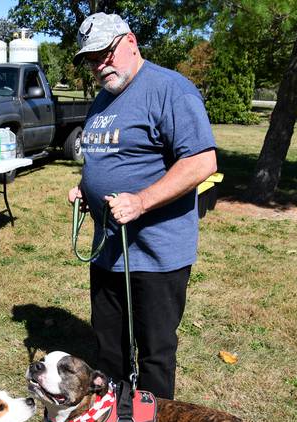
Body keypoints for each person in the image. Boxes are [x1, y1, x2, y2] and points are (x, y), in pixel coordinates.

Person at [67, 13, 217, 400]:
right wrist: (87, 190)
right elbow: (106, 160)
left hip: (156, 255)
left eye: (106, 53)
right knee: (108, 350)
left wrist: (141, 201)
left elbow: (202, 162)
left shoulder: (170, 90)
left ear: (130, 41)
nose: (101, 64)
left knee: (154, 355)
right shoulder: (103, 98)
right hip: (109, 252)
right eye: (92, 58)